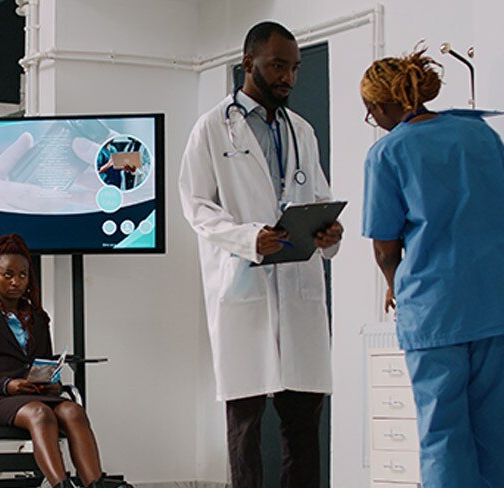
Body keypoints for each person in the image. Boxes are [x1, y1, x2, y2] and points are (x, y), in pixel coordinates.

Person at [177, 21, 343, 488]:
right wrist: (248, 238)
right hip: (243, 285)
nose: (288, 77)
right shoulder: (212, 128)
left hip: (297, 288)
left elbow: (318, 195)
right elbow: (196, 206)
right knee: (245, 424)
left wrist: (327, 232)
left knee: (303, 422)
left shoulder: (301, 131)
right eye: (277, 66)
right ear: (248, 64)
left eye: (293, 68)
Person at [361, 48, 504, 488]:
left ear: (381, 107)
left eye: (370, 112)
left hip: (436, 313)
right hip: (499, 305)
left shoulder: (387, 153)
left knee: (443, 439)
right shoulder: (482, 136)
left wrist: (392, 283)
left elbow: (385, 246)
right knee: (495, 438)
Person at [0, 234, 131, 488]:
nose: (16, 281)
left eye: (23, 275)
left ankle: (95, 483)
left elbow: (46, 362)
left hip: (37, 393)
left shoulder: (38, 317)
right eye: (8, 275)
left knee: (73, 410)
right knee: (40, 414)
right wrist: (8, 385)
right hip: (0, 400)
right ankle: (61, 485)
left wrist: (53, 385)